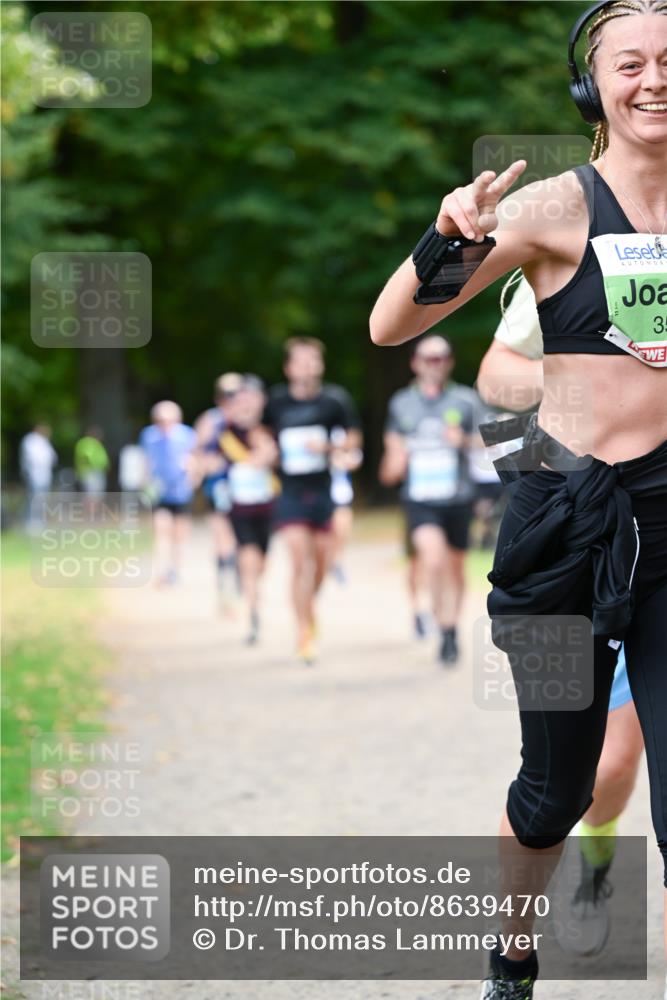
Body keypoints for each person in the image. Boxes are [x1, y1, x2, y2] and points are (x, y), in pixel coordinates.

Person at [370, 2, 667, 995]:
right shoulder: (553, 210)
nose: (654, 80)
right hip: (564, 524)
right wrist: (447, 236)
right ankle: (511, 950)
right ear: (595, 86)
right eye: (631, 63)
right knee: (554, 791)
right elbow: (389, 323)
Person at [478, 274, 645, 957]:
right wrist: (592, 392)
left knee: (622, 762)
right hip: (580, 545)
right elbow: (497, 372)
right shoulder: (575, 242)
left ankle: (594, 873)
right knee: (568, 785)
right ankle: (513, 952)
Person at [379, 335, 482, 665]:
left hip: (458, 498)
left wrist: (463, 439)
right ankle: (443, 623)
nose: (434, 364)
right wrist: (395, 462)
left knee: (455, 569)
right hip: (420, 499)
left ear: (449, 362)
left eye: (440, 358)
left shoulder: (466, 400)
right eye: (427, 358)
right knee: (432, 558)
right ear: (414, 363)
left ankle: (451, 628)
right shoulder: (401, 403)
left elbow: (490, 439)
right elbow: (392, 454)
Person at [263, 337, 362, 665]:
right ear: (289, 368)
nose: (307, 367)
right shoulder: (276, 402)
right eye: (300, 361)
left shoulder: (334, 400)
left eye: (312, 360)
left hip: (323, 493)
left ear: (320, 365)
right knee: (298, 560)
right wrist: (268, 452)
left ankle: (308, 607)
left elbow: (352, 441)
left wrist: (330, 450)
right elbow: (261, 436)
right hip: (290, 493)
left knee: (320, 563)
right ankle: (303, 630)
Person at [216, 376, 279, 644]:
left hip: (268, 506)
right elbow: (208, 459)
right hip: (239, 508)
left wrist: (265, 448)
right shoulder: (225, 433)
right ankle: (253, 614)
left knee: (261, 562)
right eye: (239, 400)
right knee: (249, 556)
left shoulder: (272, 428)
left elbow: (273, 458)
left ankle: (250, 587)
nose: (245, 405)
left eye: (250, 399)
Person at [195, 373, 243, 609]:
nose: (231, 399)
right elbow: (199, 453)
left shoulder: (249, 419)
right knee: (223, 536)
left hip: (247, 487)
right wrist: (206, 464)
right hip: (220, 486)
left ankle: (240, 582)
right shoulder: (211, 421)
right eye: (227, 395)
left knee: (244, 538)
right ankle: (225, 586)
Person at [139, 401, 198, 587]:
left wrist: (193, 479)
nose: (165, 424)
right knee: (161, 530)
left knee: (180, 534)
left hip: (181, 491)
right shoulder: (149, 436)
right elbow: (146, 460)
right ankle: (161, 571)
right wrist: (145, 482)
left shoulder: (187, 435)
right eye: (161, 420)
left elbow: (195, 460)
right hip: (159, 490)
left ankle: (177, 570)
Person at [329, 425, 362, 585]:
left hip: (340, 492)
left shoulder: (340, 432)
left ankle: (337, 562)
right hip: (320, 492)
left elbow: (354, 459)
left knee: (342, 529)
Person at [19, 423, 57, 531]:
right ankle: (30, 521)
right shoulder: (30, 440)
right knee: (33, 498)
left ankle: (39, 520)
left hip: (45, 475)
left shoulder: (44, 442)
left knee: (42, 499)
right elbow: (33, 458)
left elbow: (53, 457)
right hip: (34, 475)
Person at [74, 426, 110, 516]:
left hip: (97, 472)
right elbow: (87, 456)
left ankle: (94, 515)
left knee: (96, 495)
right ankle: (90, 515)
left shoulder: (95, 444)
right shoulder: (87, 443)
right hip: (91, 472)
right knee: (91, 496)